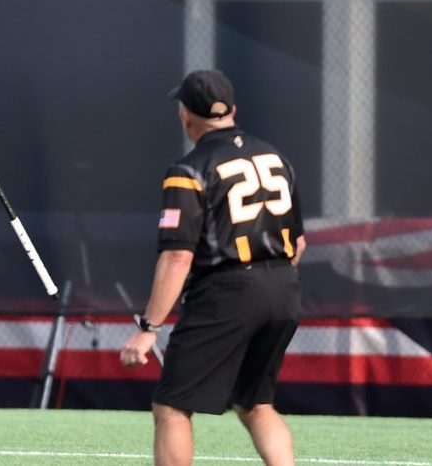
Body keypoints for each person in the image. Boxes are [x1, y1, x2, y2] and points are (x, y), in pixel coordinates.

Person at [118, 69, 308, 466]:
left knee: (171, 406)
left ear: (185, 115)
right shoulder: (275, 157)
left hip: (228, 292)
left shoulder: (189, 169)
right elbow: (299, 243)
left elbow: (177, 257)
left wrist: (148, 329)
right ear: (233, 110)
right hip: (285, 288)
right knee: (256, 403)